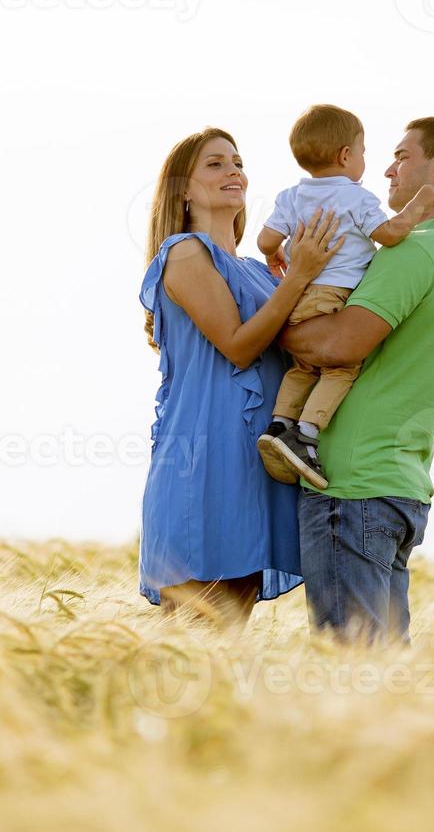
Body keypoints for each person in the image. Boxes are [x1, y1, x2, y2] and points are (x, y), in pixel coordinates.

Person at [280, 117, 434, 643]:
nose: (388, 171)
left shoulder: (411, 250)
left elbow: (336, 345)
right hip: (399, 481)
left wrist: (277, 324)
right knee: (383, 671)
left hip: (351, 485)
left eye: (401, 157)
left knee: (348, 671)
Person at [138, 126, 343, 627]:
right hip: (205, 464)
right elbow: (237, 345)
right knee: (193, 641)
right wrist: (297, 278)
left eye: (237, 161)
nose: (234, 171)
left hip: (255, 464)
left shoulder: (256, 269)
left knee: (226, 639)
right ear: (183, 189)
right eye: (215, 163)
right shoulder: (186, 254)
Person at [254, 104, 434, 490]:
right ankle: (306, 434)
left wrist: (277, 252)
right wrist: (420, 203)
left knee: (302, 368)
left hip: (298, 297)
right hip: (333, 293)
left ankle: (279, 424)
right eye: (362, 151)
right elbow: (389, 234)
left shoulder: (291, 197)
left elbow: (264, 241)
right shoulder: (357, 199)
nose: (364, 161)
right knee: (340, 369)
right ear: (345, 156)